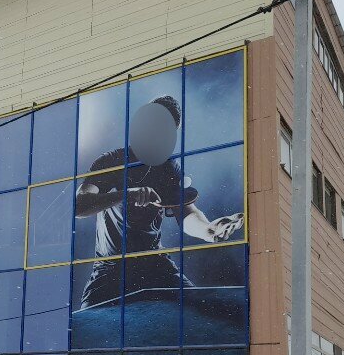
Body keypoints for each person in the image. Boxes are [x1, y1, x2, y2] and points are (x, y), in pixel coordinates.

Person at [74, 95, 244, 308]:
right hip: (111, 268)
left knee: (203, 310)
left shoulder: (169, 168)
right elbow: (79, 206)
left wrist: (207, 229)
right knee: (88, 325)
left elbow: (186, 212)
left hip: (156, 264)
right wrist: (126, 194)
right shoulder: (113, 160)